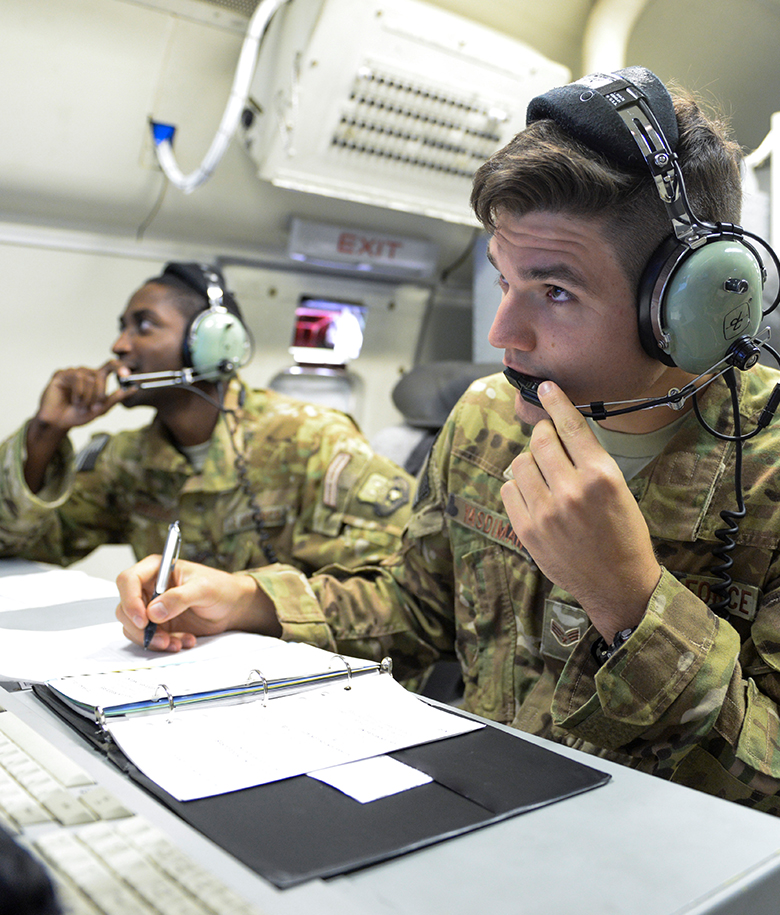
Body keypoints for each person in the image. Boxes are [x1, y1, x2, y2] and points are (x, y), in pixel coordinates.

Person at [115, 68, 780, 814]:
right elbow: (415, 608)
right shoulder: (486, 420)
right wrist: (247, 600)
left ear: (687, 306)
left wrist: (630, 602)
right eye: (504, 281)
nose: (503, 336)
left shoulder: (768, 472)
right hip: (481, 818)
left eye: (555, 291)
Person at [0, 262, 414, 575]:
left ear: (211, 345)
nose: (119, 345)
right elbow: (23, 547)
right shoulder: (126, 461)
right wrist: (45, 432)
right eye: (122, 328)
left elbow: (397, 582)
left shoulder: (313, 439)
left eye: (143, 326)